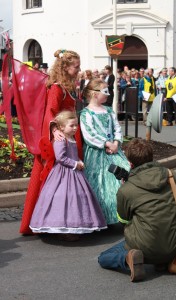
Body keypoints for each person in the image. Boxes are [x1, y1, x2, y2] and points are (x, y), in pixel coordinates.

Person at [98, 138, 176, 282]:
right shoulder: (172, 176)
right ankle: (162, 260)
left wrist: (125, 190)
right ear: (152, 157)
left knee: (104, 257)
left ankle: (128, 260)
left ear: (131, 163)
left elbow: (123, 219)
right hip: (175, 244)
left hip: (145, 248)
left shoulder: (127, 189)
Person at [20, 49, 82, 234]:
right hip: (61, 137)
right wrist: (55, 131)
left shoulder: (67, 86)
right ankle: (52, 221)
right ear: (65, 67)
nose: (79, 70)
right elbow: (50, 111)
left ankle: (68, 219)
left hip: (70, 135)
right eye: (76, 67)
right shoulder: (56, 88)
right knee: (54, 181)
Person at [29, 110, 107, 238]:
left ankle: (73, 227)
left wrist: (79, 161)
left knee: (76, 199)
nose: (75, 128)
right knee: (63, 198)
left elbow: (73, 155)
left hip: (74, 173)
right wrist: (76, 164)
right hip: (62, 173)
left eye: (76, 125)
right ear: (61, 127)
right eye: (72, 125)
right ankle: (63, 229)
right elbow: (61, 158)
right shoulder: (60, 139)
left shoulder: (71, 138)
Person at [80, 78, 130, 225]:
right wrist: (106, 143)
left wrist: (116, 143)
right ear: (95, 94)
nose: (108, 94)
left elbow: (117, 128)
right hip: (96, 154)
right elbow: (89, 134)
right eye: (105, 91)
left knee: (122, 176)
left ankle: (120, 214)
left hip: (114, 152)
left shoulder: (109, 111)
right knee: (99, 184)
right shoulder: (86, 114)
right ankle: (101, 217)